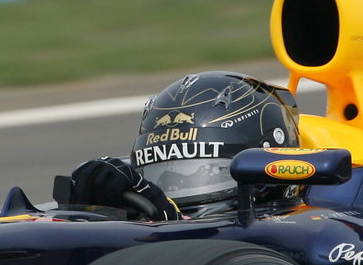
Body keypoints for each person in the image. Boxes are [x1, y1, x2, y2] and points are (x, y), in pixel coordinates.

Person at [62, 71, 300, 220]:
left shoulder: (315, 225)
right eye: (162, 176)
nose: (174, 190)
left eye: (209, 170)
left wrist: (171, 223)